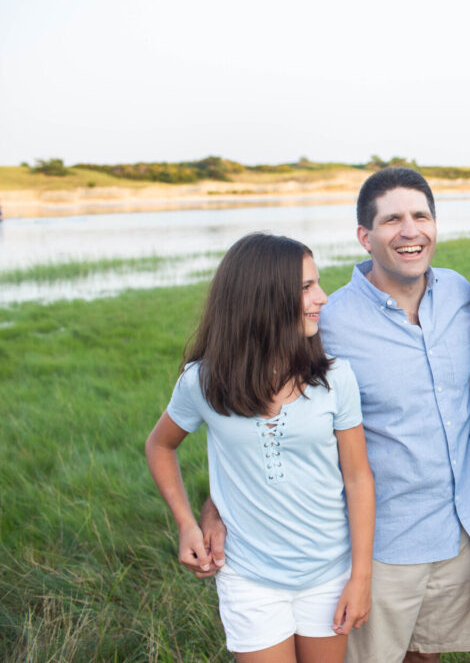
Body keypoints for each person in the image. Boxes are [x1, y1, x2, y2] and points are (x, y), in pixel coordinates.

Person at [195, 168, 470, 663]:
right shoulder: (325, 323)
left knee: (430, 656)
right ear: (365, 236)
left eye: (422, 216)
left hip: (460, 527)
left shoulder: (460, 295)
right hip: (380, 540)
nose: (410, 230)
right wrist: (215, 506)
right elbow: (259, 419)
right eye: (392, 219)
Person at [145, 233, 375, 661]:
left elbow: (358, 477)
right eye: (306, 287)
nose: (322, 298)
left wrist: (360, 576)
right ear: (263, 297)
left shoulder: (335, 378)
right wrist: (187, 523)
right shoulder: (204, 381)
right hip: (249, 578)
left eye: (317, 284)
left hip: (328, 573)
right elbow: (160, 446)